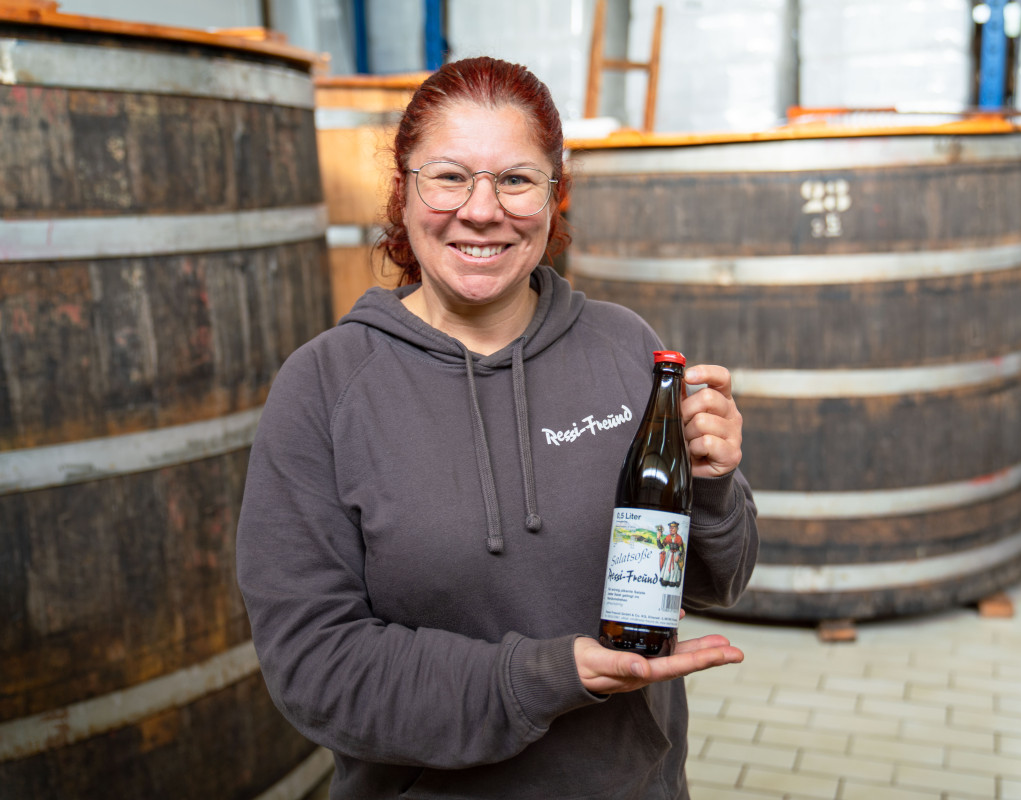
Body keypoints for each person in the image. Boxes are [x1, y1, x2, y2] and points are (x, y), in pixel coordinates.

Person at [236, 56, 758, 800]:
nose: (482, 210)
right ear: (404, 190)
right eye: (449, 176)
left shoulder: (623, 348)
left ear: (554, 197)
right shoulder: (324, 388)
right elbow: (315, 669)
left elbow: (717, 580)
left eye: (515, 179)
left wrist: (712, 485)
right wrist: (545, 676)